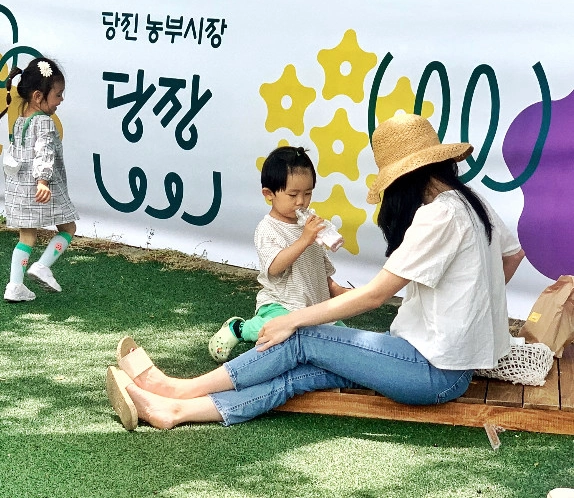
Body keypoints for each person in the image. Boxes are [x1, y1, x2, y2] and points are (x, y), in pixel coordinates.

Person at [106, 112, 525, 431]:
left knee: (302, 336)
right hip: (444, 368)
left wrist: (292, 319)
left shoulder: (439, 215)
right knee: (302, 376)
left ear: (402, 179)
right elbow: (512, 256)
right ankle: (176, 411)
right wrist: (469, 305)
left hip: (430, 370)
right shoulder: (472, 202)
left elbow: (375, 295)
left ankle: (177, 387)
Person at [208, 145, 348, 363]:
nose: (301, 201)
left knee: (345, 340)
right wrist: (304, 240)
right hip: (281, 303)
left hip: (314, 305)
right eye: (293, 194)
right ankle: (241, 328)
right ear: (269, 194)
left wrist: (336, 289)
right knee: (281, 328)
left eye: (308, 193)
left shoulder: (309, 225)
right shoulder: (268, 229)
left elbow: (318, 268)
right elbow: (274, 267)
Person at [1, 58, 79, 302]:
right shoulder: (45, 122)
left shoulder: (20, 120)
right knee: (68, 228)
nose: (61, 100)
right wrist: (43, 180)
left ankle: (15, 286)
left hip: (21, 189)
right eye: (58, 94)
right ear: (38, 96)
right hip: (41, 187)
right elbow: (45, 152)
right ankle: (43, 265)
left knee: (27, 237)